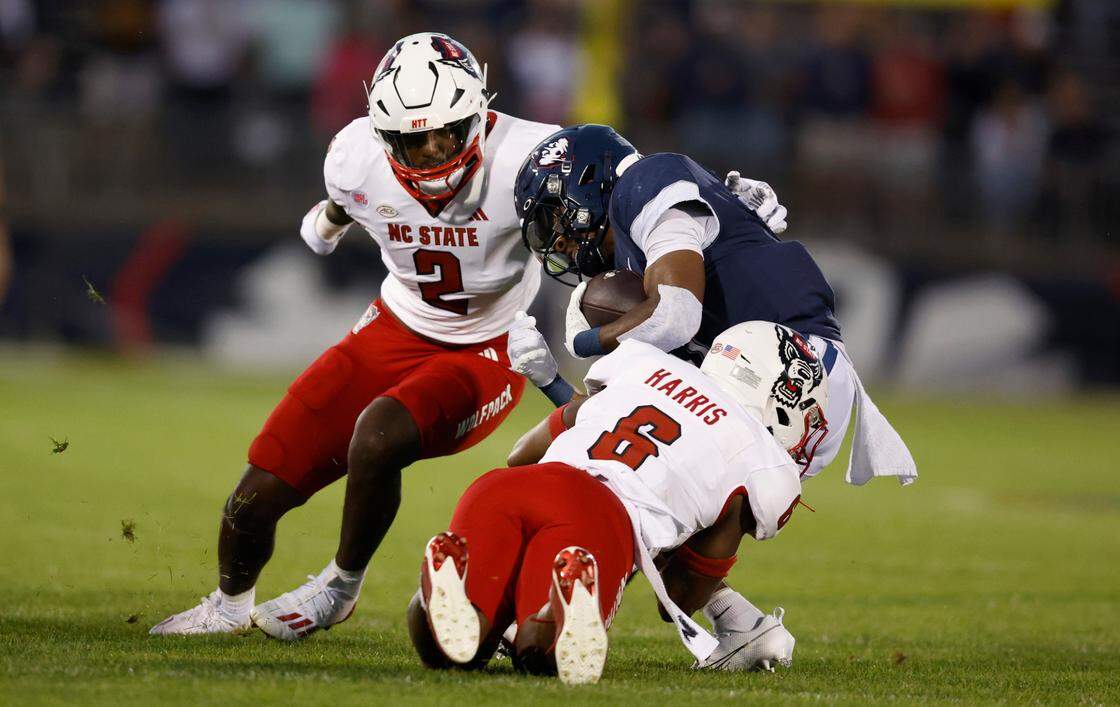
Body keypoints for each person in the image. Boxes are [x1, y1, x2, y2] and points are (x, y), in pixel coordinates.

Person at [150, 32, 562, 638]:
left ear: (477, 113)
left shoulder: (530, 157)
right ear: (382, 134)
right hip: (394, 324)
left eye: (446, 132)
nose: (431, 153)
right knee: (261, 482)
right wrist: (331, 219)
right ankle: (229, 605)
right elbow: (342, 203)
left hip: (489, 345)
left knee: (378, 434)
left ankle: (339, 587)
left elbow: (613, 206)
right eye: (411, 140)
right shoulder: (355, 158)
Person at [508, 123, 917, 667]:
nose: (558, 242)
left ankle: (539, 613)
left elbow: (677, 313)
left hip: (776, 364)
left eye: (556, 219)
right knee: (672, 580)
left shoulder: (645, 181)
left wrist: (587, 340)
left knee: (614, 484)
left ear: (588, 181)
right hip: (787, 382)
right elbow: (615, 418)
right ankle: (743, 628)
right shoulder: (647, 227)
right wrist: (548, 381)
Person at [408, 321, 824, 684]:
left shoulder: (643, 365)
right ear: (782, 396)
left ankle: (445, 586)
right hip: (596, 515)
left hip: (508, 488)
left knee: (450, 648)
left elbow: (521, 455)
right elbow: (679, 597)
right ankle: (562, 603)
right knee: (541, 654)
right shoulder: (762, 463)